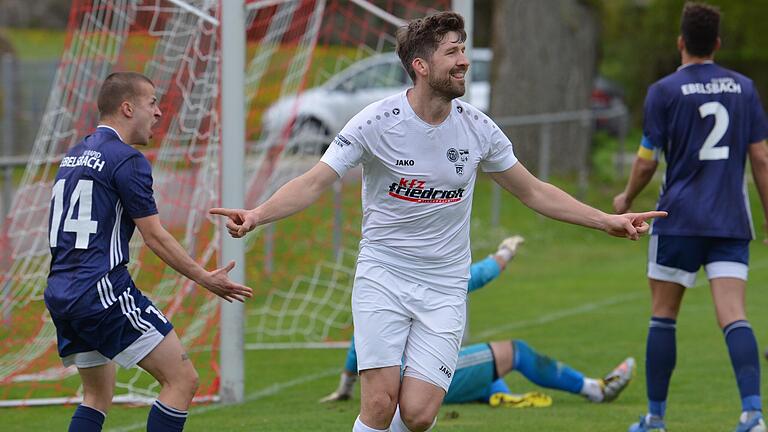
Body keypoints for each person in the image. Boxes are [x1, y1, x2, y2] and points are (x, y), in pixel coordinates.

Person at [212, 11, 664, 432]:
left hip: (445, 286)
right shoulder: (376, 122)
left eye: (463, 49)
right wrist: (257, 215)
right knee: (379, 402)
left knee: (420, 414)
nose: (464, 61)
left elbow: (534, 191)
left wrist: (605, 220)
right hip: (384, 276)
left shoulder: (478, 129)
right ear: (420, 65)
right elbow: (313, 181)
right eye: (452, 52)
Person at [45, 72, 253, 432]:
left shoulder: (74, 155)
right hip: (101, 292)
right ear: (127, 108)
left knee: (96, 396)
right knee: (182, 380)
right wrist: (205, 277)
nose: (159, 112)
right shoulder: (126, 159)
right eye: (152, 102)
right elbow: (155, 237)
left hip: (62, 292)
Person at [613, 3, 768, 432]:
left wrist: (626, 197)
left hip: (676, 218)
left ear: (681, 42)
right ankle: (753, 415)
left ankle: (656, 419)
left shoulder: (663, 91)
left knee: (663, 316)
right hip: (729, 221)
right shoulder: (746, 89)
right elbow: (762, 158)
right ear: (717, 44)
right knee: (734, 314)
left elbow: (646, 160)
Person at [320, 236, 636, 407]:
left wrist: (346, 387)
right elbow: (480, 274)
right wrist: (506, 252)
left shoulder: (384, 281)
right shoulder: (434, 275)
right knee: (515, 352)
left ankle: (492, 390)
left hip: (386, 384)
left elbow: (359, 342)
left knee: (484, 367)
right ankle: (595, 389)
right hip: (421, 380)